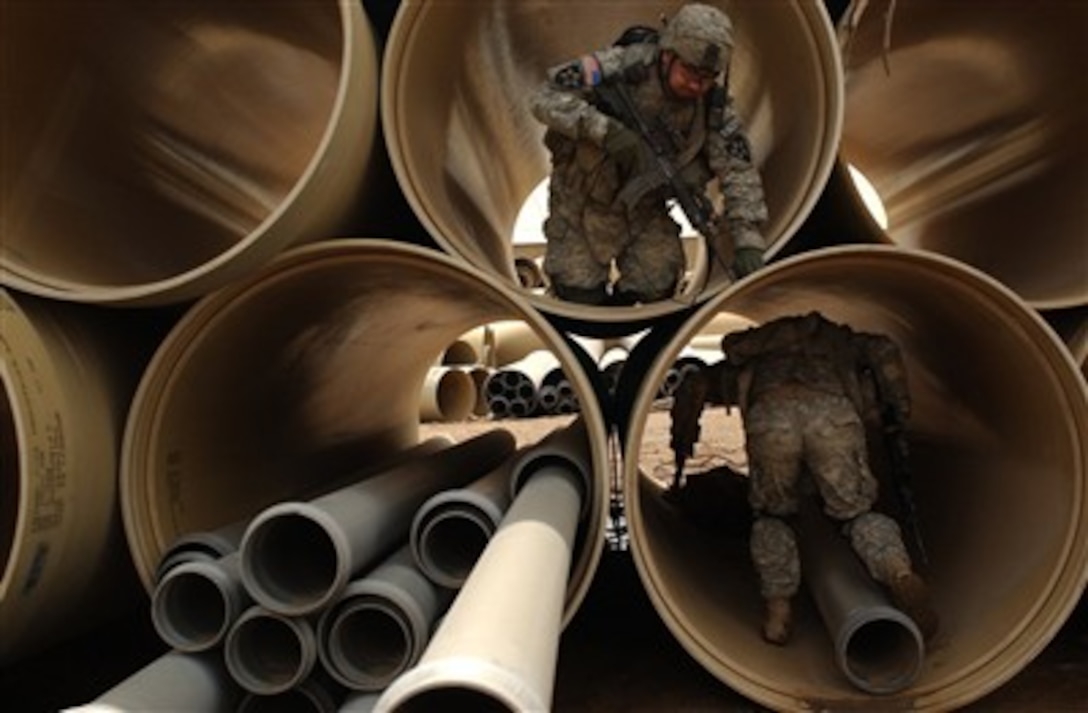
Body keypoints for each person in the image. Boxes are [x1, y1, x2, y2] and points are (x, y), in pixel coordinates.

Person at [669, 312, 938, 644]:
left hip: (772, 418)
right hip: (832, 418)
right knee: (856, 513)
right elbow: (884, 349)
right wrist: (897, 410)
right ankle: (899, 573)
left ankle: (778, 612)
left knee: (772, 515)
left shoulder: (754, 351)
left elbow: (694, 384)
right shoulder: (837, 338)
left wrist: (681, 445)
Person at [529, 3, 768, 306]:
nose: (698, 84)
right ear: (668, 55)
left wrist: (748, 239)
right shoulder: (616, 67)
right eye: (691, 71)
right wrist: (605, 131)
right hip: (582, 203)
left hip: (645, 210)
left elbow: (738, 171)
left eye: (708, 77)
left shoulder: (713, 109)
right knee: (577, 291)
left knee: (658, 286)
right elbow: (544, 97)